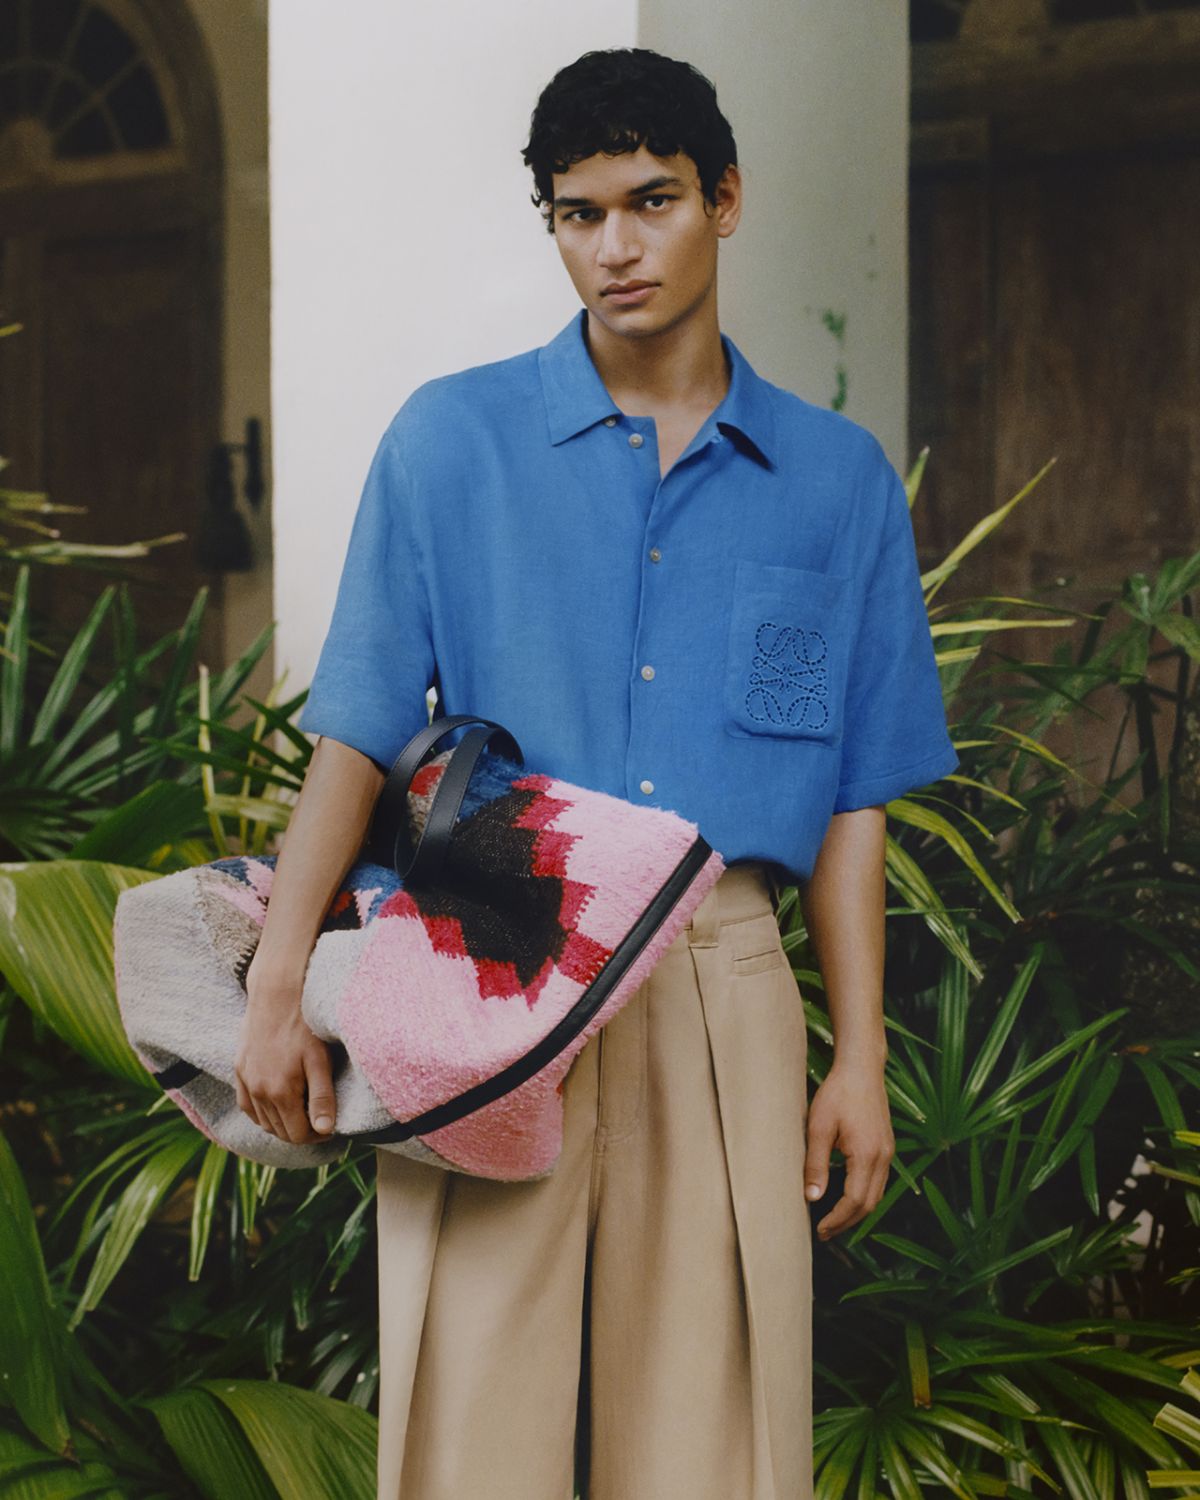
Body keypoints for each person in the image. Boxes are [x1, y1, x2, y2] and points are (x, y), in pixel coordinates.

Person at [235, 46, 958, 1500]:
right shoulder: (451, 442)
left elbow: (852, 802)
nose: (616, 247)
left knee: (711, 1445)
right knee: (468, 1433)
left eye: (652, 201)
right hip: (485, 959)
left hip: (720, 984)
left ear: (725, 200)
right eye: (580, 215)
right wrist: (276, 985)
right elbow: (356, 731)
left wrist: (860, 1059)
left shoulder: (838, 483)